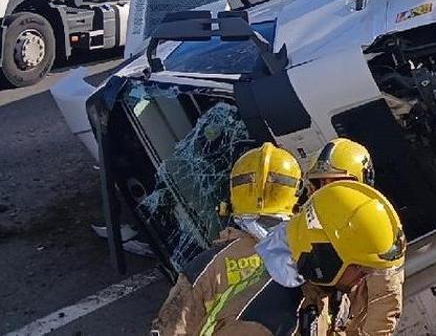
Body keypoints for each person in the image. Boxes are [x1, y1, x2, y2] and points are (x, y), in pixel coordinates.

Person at [152, 143, 313, 335]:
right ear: (298, 197)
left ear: (232, 198)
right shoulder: (310, 257)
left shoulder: (205, 267)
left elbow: (170, 328)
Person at [257, 181, 406, 336]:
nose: (363, 277)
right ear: (327, 257)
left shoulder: (308, 286)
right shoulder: (267, 320)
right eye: (359, 268)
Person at [302, 139, 404, 336]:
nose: (327, 191)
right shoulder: (305, 226)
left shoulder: (375, 232)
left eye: (335, 183)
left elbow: (384, 302)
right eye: (320, 183)